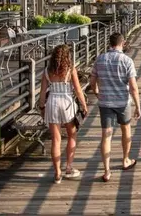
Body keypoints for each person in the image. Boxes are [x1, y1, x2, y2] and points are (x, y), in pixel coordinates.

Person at [90, 32, 141, 182]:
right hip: (122, 102)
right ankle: (125, 160)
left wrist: (97, 93)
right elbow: (133, 87)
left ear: (110, 43)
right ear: (122, 43)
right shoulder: (127, 61)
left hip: (105, 102)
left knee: (106, 135)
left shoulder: (100, 59)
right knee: (126, 129)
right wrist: (138, 106)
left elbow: (92, 82)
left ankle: (107, 171)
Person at [39, 44, 88, 183]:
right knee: (72, 135)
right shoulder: (70, 69)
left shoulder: (47, 71)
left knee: (56, 139)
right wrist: (84, 105)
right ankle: (68, 167)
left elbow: (42, 92)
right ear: (67, 56)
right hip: (67, 103)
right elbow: (78, 90)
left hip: (52, 102)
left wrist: (42, 107)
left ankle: (57, 173)